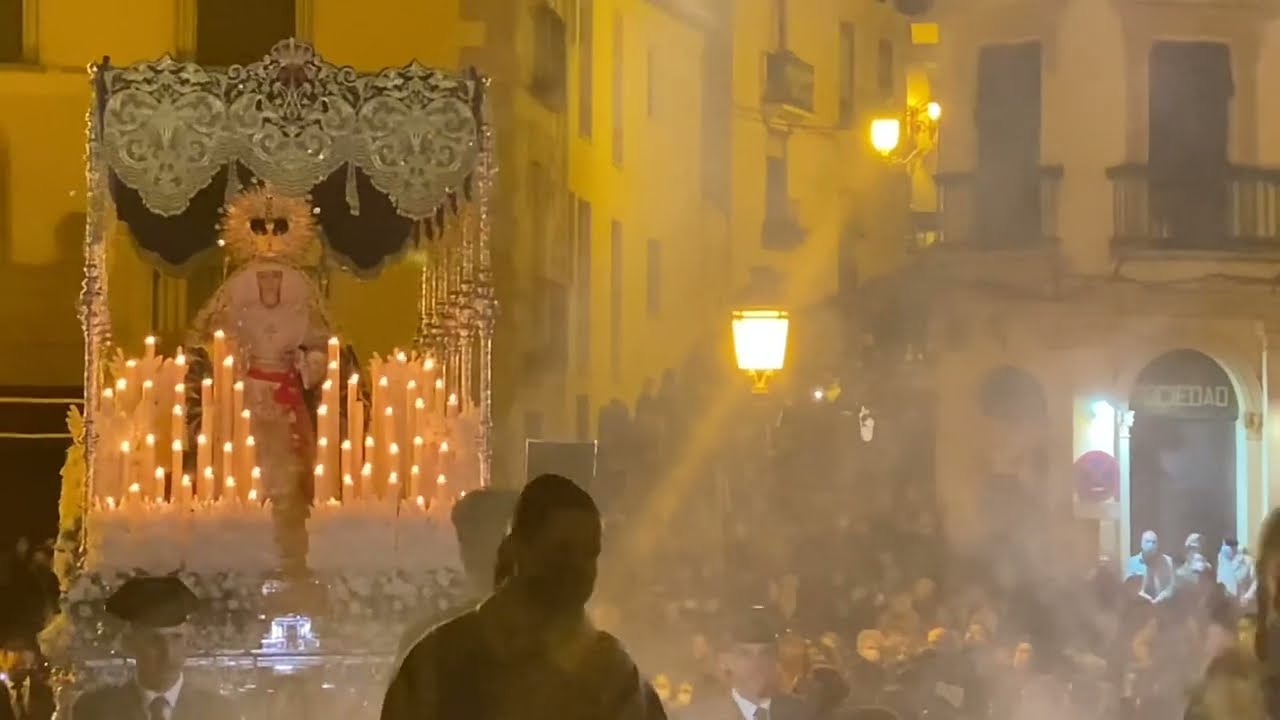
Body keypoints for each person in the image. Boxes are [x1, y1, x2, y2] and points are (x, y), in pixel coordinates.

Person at [381, 473, 662, 720]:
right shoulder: (437, 664)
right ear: (519, 549)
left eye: (590, 553)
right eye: (561, 550)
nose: (578, 568)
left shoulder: (615, 675)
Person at [71, 575, 239, 720]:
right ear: (130, 645)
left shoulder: (218, 711)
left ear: (189, 642)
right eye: (154, 640)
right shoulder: (95, 711)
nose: (168, 653)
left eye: (176, 638)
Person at [392, 488, 519, 661]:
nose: (471, 553)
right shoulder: (429, 641)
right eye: (466, 540)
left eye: (483, 538)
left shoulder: (548, 638)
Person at [679, 605, 813, 720]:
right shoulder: (700, 717)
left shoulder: (804, 715)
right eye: (745, 654)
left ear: (775, 661)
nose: (756, 664)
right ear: (726, 661)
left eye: (765, 653)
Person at [0, 637, 53, 720]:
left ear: (33, 662)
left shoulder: (47, 692)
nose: (19, 671)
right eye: (14, 667)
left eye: (24, 666)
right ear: (2, 660)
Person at [1127, 530, 1176, 604]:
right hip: (1140, 607)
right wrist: (1143, 596)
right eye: (1147, 541)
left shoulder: (1168, 562)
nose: (1151, 545)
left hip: (1163, 606)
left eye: (1154, 542)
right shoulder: (1132, 562)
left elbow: (1172, 585)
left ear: (1158, 545)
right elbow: (1128, 586)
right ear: (1141, 544)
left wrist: (1161, 598)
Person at [1219, 539, 1259, 611]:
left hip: (1244, 603)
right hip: (1227, 604)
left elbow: (1255, 581)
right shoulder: (1222, 561)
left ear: (1235, 548)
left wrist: (1247, 596)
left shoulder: (1247, 561)